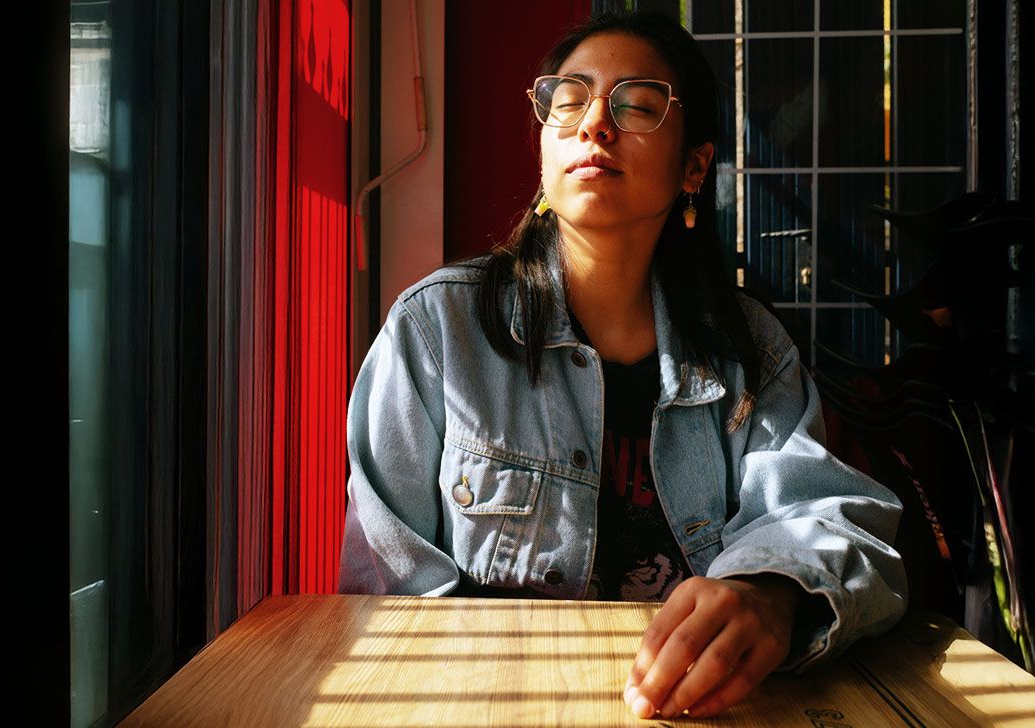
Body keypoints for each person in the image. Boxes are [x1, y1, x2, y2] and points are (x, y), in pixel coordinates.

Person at [338, 9, 908, 720]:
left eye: (636, 105)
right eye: (570, 101)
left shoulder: (748, 349)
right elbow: (387, 587)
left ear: (695, 166)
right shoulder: (438, 332)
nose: (595, 125)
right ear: (545, 149)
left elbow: (829, 518)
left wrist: (771, 594)